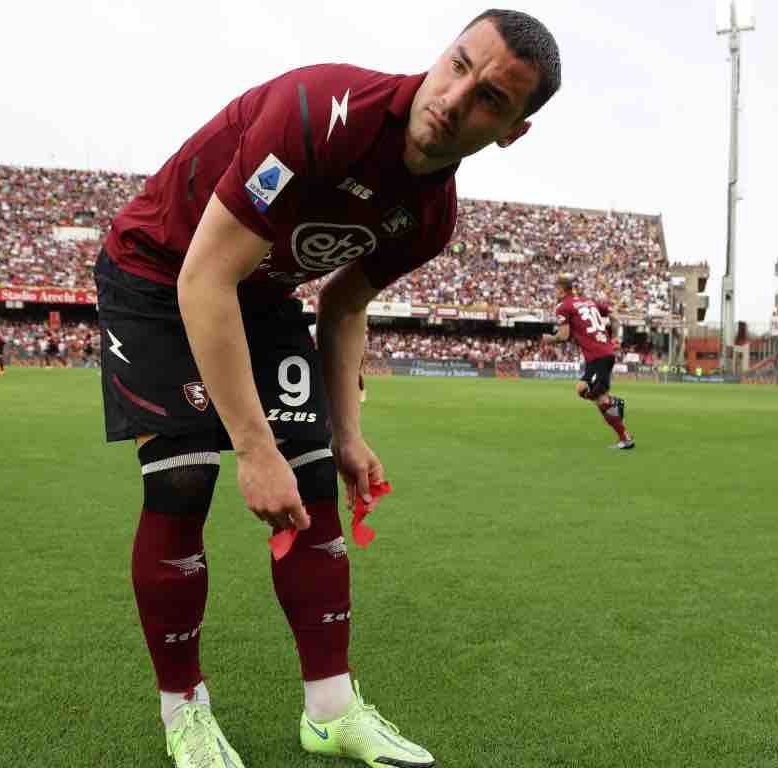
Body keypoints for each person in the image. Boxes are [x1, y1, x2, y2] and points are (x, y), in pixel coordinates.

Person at [93, 10, 560, 768]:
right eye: (459, 64)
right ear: (443, 53)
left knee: (314, 495)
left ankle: (330, 711)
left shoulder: (431, 217)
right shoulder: (320, 112)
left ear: (511, 132)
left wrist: (346, 433)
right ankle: (184, 711)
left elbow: (342, 305)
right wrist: (251, 446)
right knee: (182, 482)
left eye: (491, 100)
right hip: (158, 270)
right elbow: (205, 274)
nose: (455, 97)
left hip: (262, 291)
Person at [540, 273, 634, 449]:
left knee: (600, 400)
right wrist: (616, 337)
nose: (555, 292)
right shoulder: (589, 301)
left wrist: (549, 339)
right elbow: (613, 314)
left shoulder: (563, 307)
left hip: (598, 355)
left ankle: (624, 436)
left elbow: (563, 336)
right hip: (599, 355)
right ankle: (614, 407)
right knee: (582, 389)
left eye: (556, 288)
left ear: (561, 289)